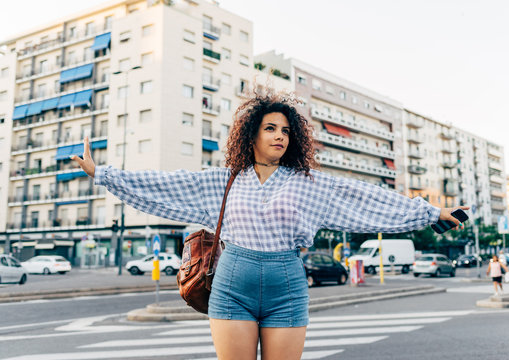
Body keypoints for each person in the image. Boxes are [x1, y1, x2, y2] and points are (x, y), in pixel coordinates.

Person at [71, 91, 468, 360]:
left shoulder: (310, 184)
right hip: (231, 286)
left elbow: (363, 198)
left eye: (286, 131)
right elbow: (163, 186)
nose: (280, 136)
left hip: (287, 286)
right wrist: (101, 174)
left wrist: (429, 212)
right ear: (252, 135)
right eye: (271, 129)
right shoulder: (222, 180)